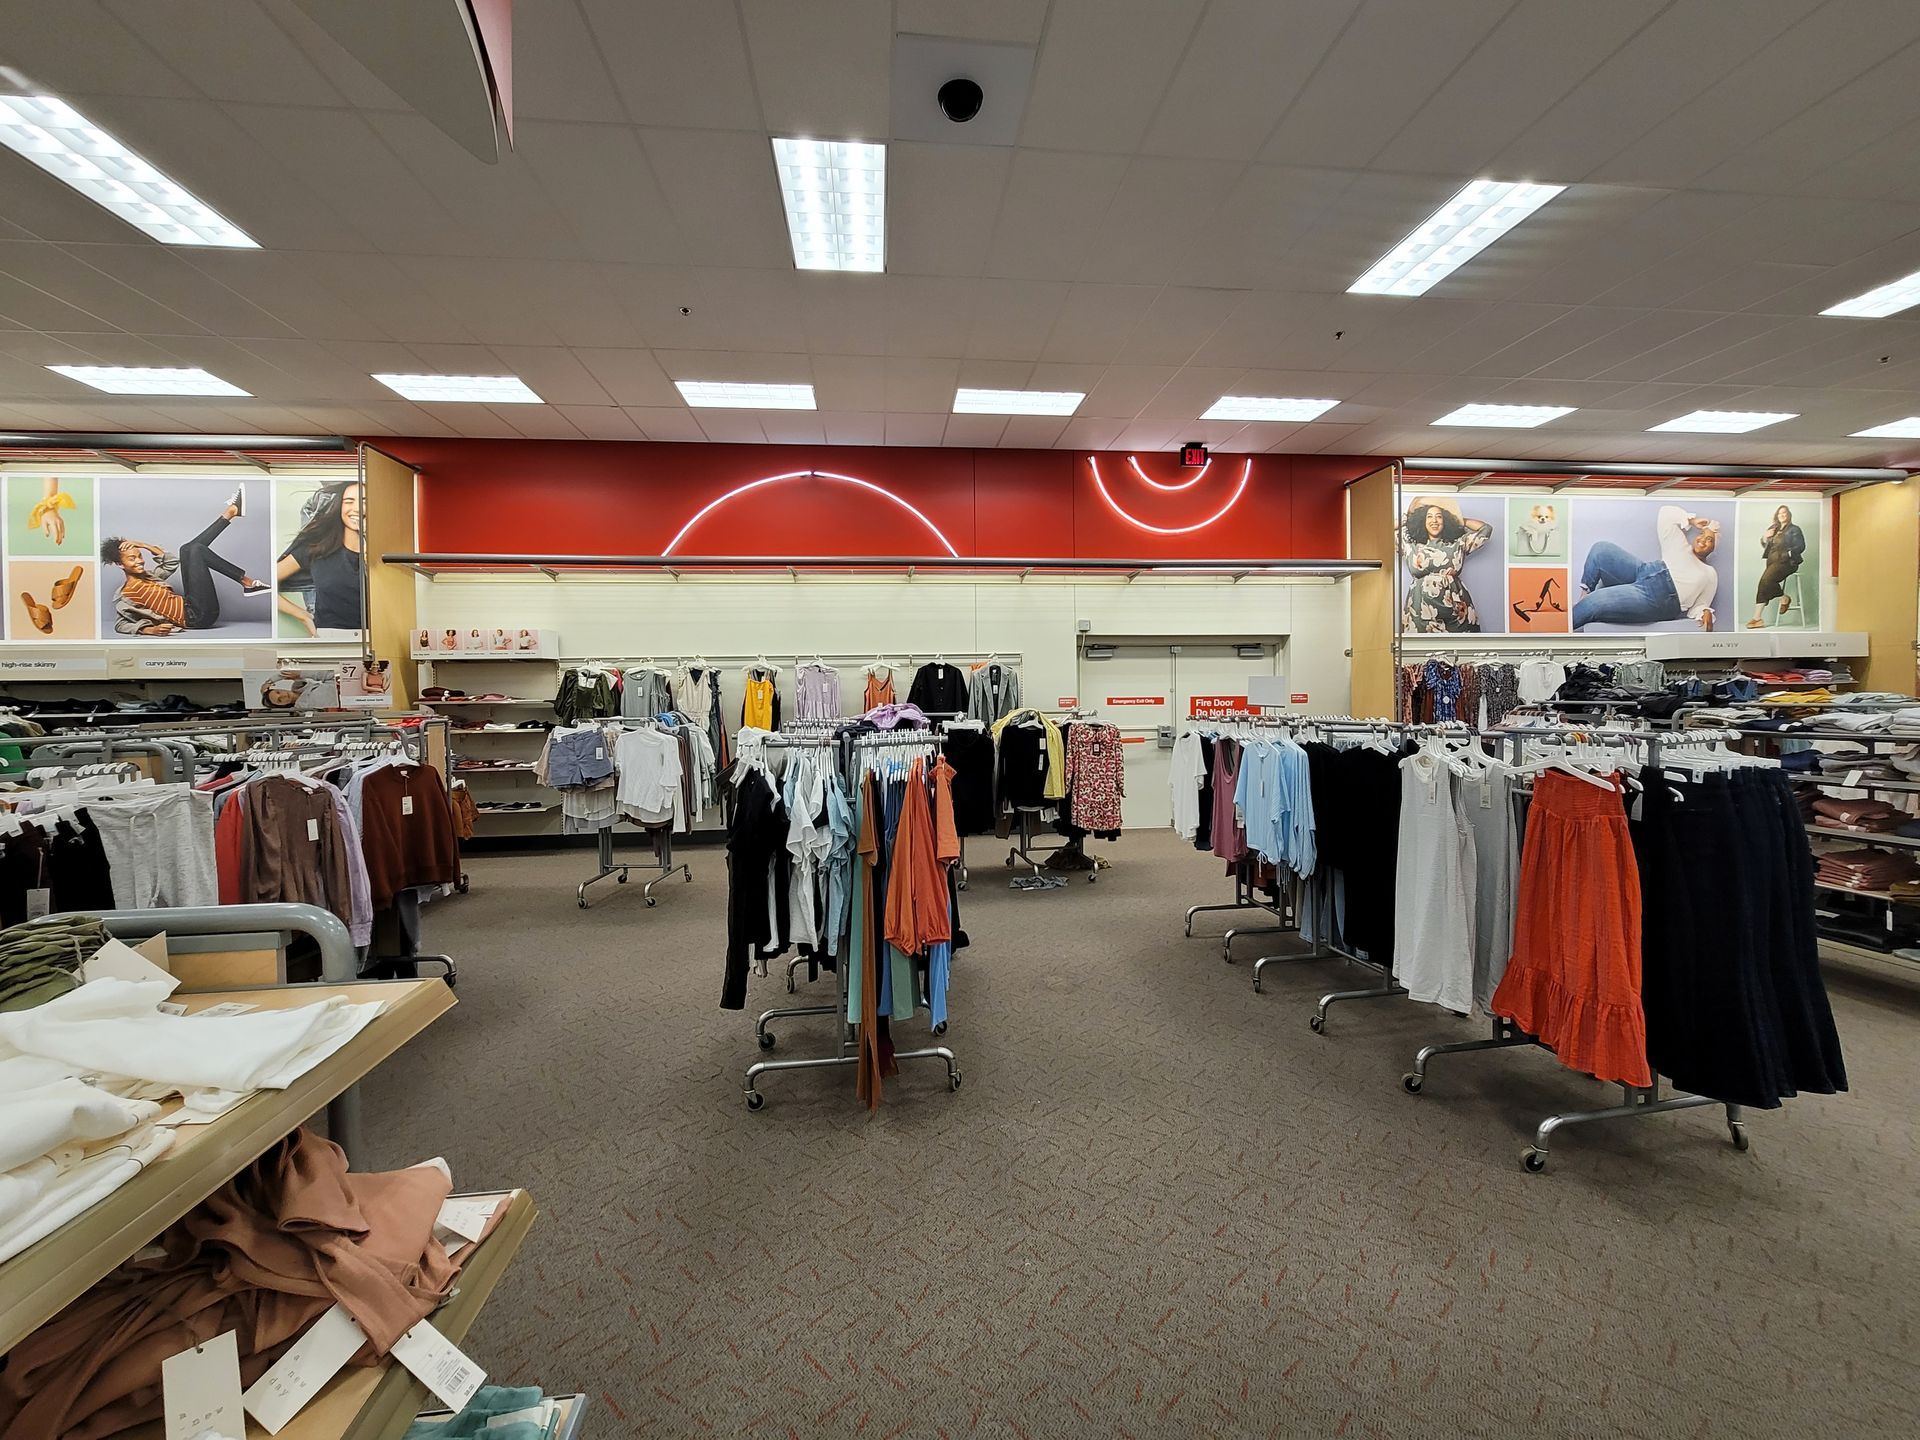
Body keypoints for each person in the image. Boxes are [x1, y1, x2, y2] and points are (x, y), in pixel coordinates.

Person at [100, 487, 267, 636]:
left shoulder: (150, 577)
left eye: (139, 556)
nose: (140, 561)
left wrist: (142, 544)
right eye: (132, 558)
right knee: (195, 550)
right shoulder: (127, 594)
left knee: (186, 549)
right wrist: (149, 630)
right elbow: (120, 624)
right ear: (120, 564)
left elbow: (171, 562)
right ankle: (247, 581)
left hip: (192, 603)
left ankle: (230, 513)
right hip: (197, 617)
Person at [1572, 505, 1720, 631]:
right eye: (1702, 535)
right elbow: (1665, 513)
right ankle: (1582, 600)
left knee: (1595, 602)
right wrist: (1692, 520)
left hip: (1658, 599)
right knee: (1601, 549)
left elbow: (1700, 605)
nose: (1703, 541)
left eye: (1710, 540)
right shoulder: (1681, 545)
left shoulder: (1709, 573)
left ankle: (1565, 624)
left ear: (1714, 547)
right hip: (1646, 571)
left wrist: (1704, 612)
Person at [275, 481, 363, 636]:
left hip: (380, 641)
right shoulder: (316, 548)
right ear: (338, 507)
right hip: (330, 641)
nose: (357, 508)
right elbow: (262, 586)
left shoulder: (384, 552)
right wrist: (303, 616)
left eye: (365, 501)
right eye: (349, 501)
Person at [1400, 501, 1493, 632]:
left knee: (1460, 649)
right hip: (1420, 609)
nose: (1434, 521)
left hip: (1455, 608)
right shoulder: (1411, 546)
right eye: (1429, 516)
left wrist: (1459, 519)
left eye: (1439, 516)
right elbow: (1385, 527)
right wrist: (1408, 518)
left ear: (1445, 521)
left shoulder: (1458, 543)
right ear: (1422, 520)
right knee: (1420, 648)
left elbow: (1486, 529)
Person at [1749, 504, 1806, 627]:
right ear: (1777, 515)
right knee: (1763, 584)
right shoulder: (1773, 529)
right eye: (1779, 513)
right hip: (1772, 562)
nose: (1782, 515)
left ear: (1788, 515)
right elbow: (1767, 546)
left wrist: (1788, 554)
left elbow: (1801, 546)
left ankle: (1783, 598)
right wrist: (1765, 537)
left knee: (1765, 580)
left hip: (1787, 563)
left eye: (1784, 513)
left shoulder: (1794, 529)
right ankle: (1757, 618)